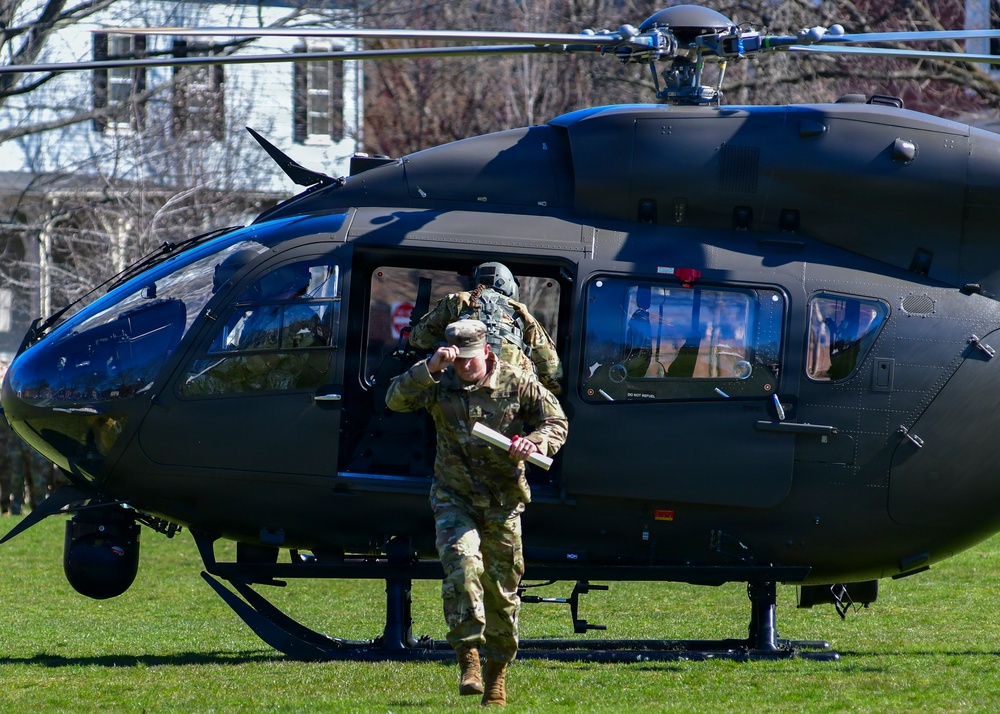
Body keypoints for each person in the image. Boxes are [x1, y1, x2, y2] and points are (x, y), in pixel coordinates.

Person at [386, 319, 568, 707]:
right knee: (462, 567)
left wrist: (534, 442)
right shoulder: (439, 381)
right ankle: (468, 656)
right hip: (455, 499)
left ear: (486, 351)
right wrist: (429, 368)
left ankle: (497, 671)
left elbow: (555, 422)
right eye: (459, 360)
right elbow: (395, 400)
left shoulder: (517, 381)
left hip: (503, 503)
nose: (466, 366)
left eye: (472, 358)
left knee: (502, 594)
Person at [409, 262, 564, 395]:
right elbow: (551, 372)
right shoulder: (521, 312)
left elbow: (418, 339)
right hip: (510, 395)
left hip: (457, 395)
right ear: (510, 286)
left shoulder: (456, 301)